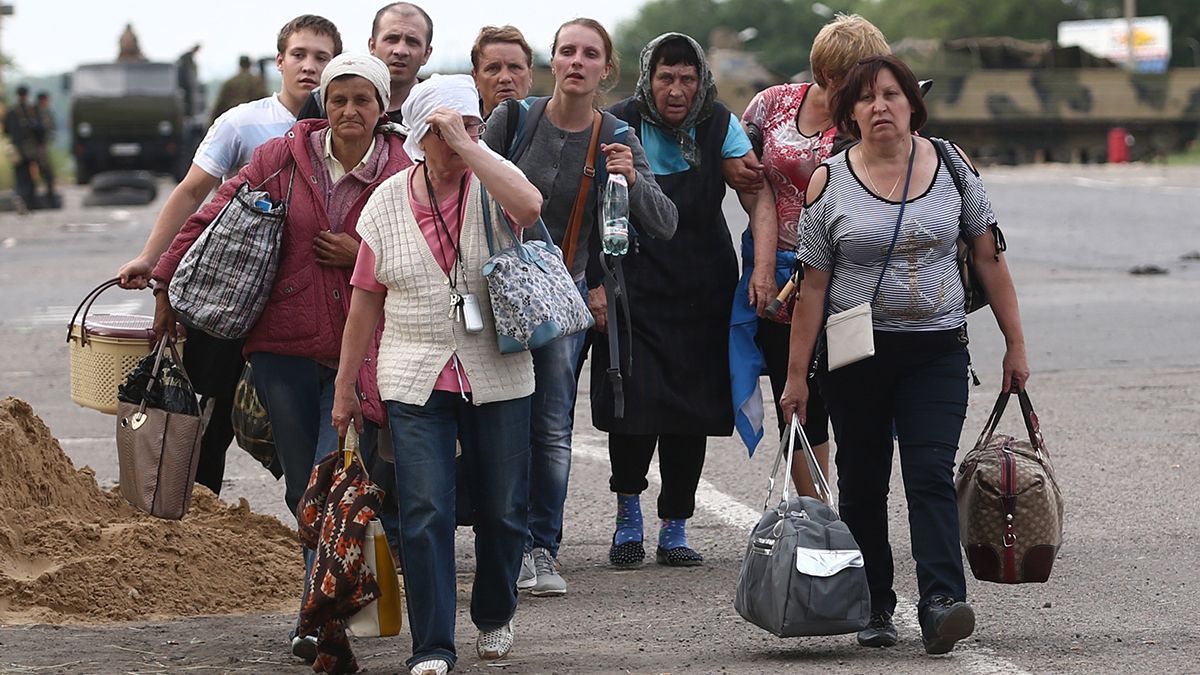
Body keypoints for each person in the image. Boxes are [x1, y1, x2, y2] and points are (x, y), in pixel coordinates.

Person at [151, 53, 410, 663]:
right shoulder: (280, 159)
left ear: (381, 107)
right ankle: (326, 614)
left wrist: (360, 255)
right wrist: (165, 281)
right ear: (324, 103)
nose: (350, 111)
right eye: (338, 99)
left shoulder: (404, 169)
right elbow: (208, 217)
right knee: (304, 491)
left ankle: (318, 621)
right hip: (281, 350)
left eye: (363, 100)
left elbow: (431, 254)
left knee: (332, 477)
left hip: (362, 351)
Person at [779, 54, 1030, 654]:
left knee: (927, 474)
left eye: (892, 94)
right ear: (849, 113)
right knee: (862, 480)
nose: (880, 106)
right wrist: (795, 379)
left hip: (936, 350)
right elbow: (812, 287)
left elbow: (990, 259)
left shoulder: (952, 166)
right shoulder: (828, 180)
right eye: (866, 98)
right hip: (855, 353)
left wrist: (1015, 345)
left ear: (912, 104)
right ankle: (874, 604)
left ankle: (942, 600)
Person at [330, 74, 543, 675]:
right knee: (426, 511)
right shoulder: (388, 200)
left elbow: (530, 206)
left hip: (497, 371)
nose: (464, 136)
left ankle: (496, 610)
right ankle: (432, 646)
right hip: (414, 374)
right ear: (421, 135)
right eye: (449, 128)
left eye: (472, 124)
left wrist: (473, 145)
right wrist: (346, 388)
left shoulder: (491, 182)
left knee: (503, 509)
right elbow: (365, 300)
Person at [481, 17, 677, 597]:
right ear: (553, 61)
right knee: (496, 425)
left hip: (561, 308)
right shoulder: (512, 120)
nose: (576, 62)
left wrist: (632, 180)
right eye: (566, 51)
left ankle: (542, 549)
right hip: (494, 298)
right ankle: (503, 544)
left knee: (550, 429)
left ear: (605, 69)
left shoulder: (616, 133)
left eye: (589, 54)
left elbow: (664, 223)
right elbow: (467, 195)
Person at [116, 15, 341, 499]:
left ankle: (315, 540)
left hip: (303, 304)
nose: (309, 66)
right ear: (279, 61)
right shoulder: (242, 122)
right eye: (299, 54)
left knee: (301, 431)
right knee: (204, 422)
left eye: (321, 57)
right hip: (231, 297)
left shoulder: (348, 127)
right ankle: (196, 529)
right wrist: (152, 260)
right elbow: (193, 193)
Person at [596, 33, 760, 568]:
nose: (676, 89)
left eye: (687, 78)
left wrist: (763, 266)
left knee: (690, 412)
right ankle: (628, 518)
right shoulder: (619, 122)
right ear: (649, 78)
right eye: (666, 77)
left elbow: (755, 189)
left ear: (700, 81)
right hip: (635, 287)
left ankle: (675, 526)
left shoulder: (719, 124)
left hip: (702, 287)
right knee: (633, 408)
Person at [731, 13, 890, 495]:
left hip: (850, 279)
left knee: (856, 399)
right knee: (796, 396)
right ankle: (818, 514)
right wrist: (761, 264)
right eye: (851, 77)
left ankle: (860, 509)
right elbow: (745, 179)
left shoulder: (870, 121)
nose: (863, 88)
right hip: (778, 275)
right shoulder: (771, 105)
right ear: (826, 73)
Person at [298, 2, 433, 124]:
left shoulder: (435, 106)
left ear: (426, 54)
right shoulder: (321, 100)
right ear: (372, 46)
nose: (400, 50)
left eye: (412, 42)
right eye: (391, 39)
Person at [471, 25, 533, 118]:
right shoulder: (459, 128)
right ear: (475, 78)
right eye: (493, 69)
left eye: (515, 67)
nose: (505, 78)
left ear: (530, 76)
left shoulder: (551, 127)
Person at [3, 85, 38, 211]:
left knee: (20, 176)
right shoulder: (31, 110)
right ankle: (29, 203)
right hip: (29, 149)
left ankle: (22, 201)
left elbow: (6, 130)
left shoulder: (12, 111)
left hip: (17, 150)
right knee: (29, 176)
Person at [211, 55, 268, 123]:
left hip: (234, 118)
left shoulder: (230, 82)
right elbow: (264, 99)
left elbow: (220, 103)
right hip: (252, 118)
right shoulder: (256, 81)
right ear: (249, 64)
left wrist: (212, 121)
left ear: (240, 64)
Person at [33, 92, 58, 205]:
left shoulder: (46, 112)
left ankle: (49, 194)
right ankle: (44, 197)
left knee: (48, 172)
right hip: (37, 146)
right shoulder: (35, 112)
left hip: (43, 146)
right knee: (44, 171)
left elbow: (52, 127)